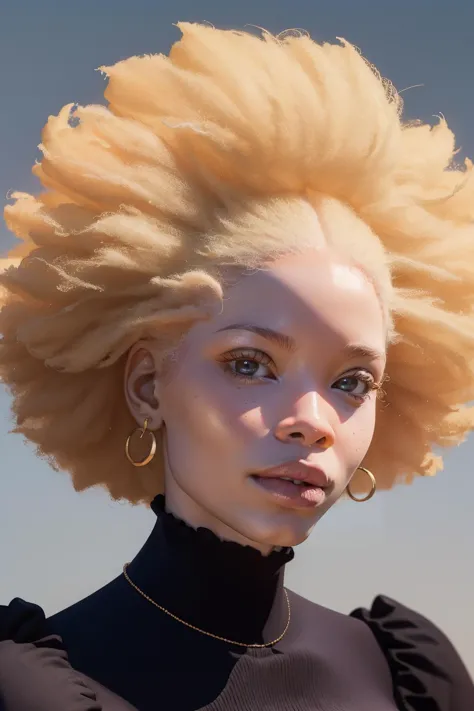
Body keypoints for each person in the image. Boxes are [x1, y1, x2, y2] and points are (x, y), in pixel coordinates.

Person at [0, 21, 473, 711]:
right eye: (251, 363)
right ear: (145, 386)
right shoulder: (32, 689)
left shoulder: (412, 673)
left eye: (351, 382)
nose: (313, 422)